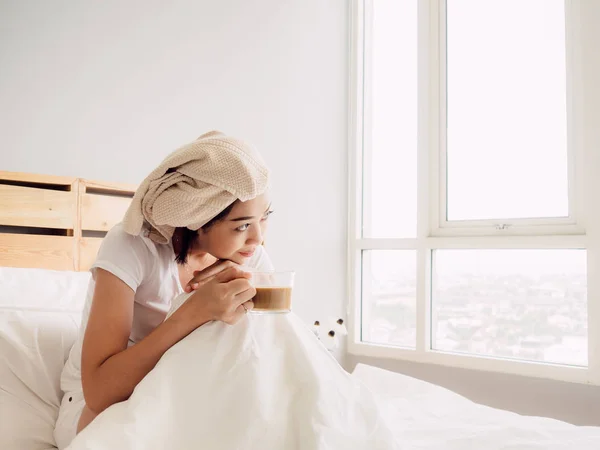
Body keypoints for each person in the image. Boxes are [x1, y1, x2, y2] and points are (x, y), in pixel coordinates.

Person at [54, 131, 273, 449]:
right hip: (100, 405)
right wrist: (194, 311)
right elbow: (99, 392)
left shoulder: (250, 255)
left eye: (265, 218)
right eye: (241, 226)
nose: (258, 239)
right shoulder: (131, 247)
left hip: (190, 392)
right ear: (199, 219)